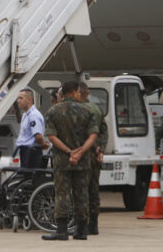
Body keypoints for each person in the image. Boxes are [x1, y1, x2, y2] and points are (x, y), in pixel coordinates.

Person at [41, 81, 98, 241]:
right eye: (78, 92)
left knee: (62, 193)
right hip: (83, 161)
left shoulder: (53, 111)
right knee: (82, 194)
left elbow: (51, 136)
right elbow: (93, 135)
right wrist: (81, 151)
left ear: (62, 94)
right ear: (73, 93)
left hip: (62, 160)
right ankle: (81, 230)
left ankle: (62, 230)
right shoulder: (87, 110)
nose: (80, 94)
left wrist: (69, 152)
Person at [77, 82, 107, 235]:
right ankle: (94, 224)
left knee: (81, 190)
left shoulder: (79, 110)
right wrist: (101, 150)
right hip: (95, 155)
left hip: (83, 154)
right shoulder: (97, 109)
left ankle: (82, 224)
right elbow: (103, 132)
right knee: (93, 189)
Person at [15, 88, 49, 169]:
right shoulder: (26, 115)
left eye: (21, 98)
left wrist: (43, 144)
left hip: (31, 153)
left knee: (29, 175)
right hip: (25, 151)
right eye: (18, 98)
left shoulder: (33, 115)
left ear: (29, 100)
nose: (18, 101)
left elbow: (38, 136)